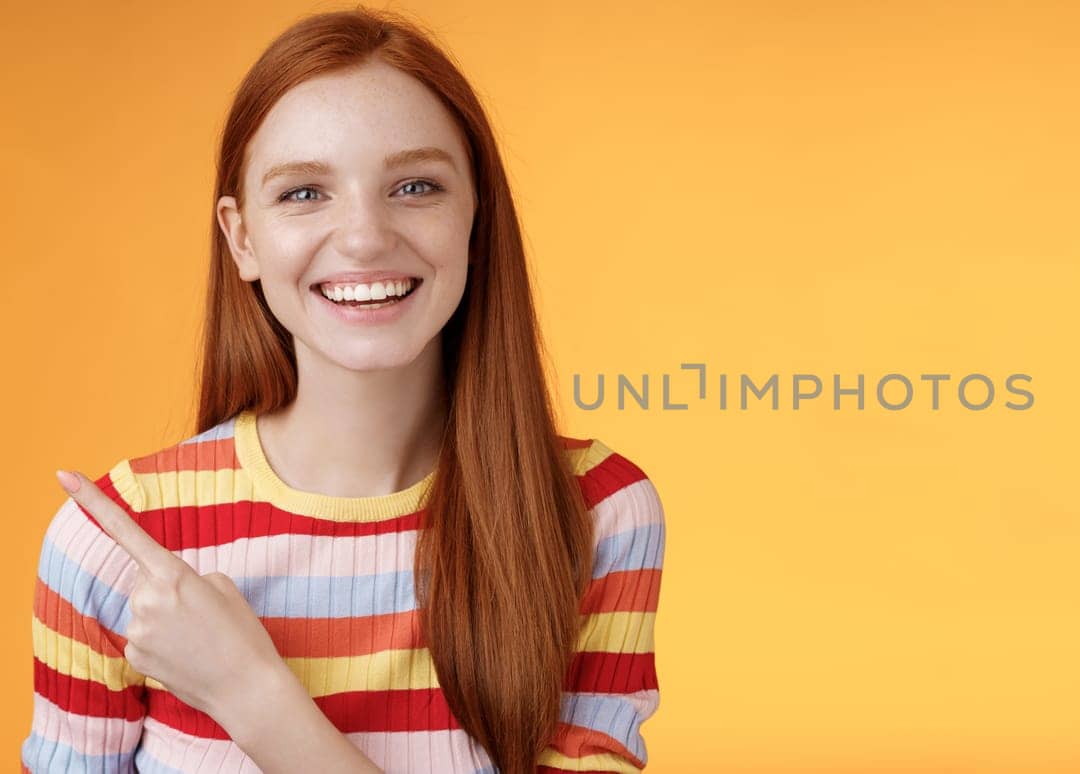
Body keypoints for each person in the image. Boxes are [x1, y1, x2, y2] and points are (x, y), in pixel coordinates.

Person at [23, 6, 664, 773]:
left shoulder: (596, 514)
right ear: (243, 238)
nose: (363, 236)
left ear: (475, 216)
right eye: (303, 193)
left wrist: (251, 696)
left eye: (417, 185)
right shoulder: (114, 546)